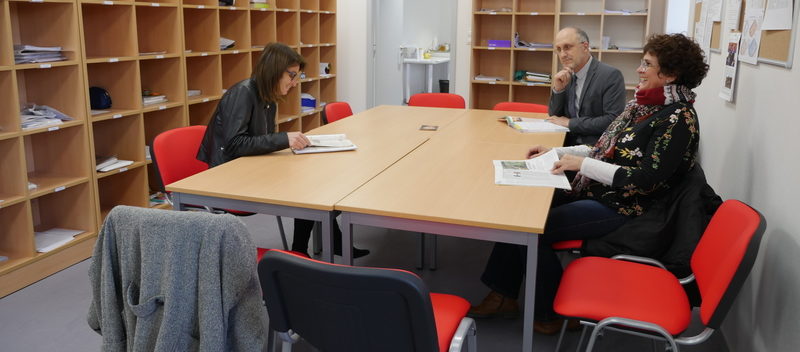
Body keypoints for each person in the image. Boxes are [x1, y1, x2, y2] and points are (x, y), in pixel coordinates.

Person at [469, 33, 709, 335]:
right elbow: (604, 150)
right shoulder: (645, 105)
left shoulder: (678, 118)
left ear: (670, 74)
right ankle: (503, 294)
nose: (639, 70)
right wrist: (557, 152)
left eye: (647, 64)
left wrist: (581, 164)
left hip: (627, 207)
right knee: (519, 213)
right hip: (603, 191)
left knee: (532, 228)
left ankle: (549, 312)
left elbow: (646, 179)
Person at [197, 42, 369, 258]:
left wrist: (284, 143)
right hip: (228, 174)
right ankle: (308, 248)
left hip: (249, 167)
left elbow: (260, 140)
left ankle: (306, 248)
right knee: (306, 189)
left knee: (311, 184)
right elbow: (235, 144)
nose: (295, 83)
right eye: (292, 76)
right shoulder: (243, 93)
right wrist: (283, 139)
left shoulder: (267, 98)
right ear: (274, 71)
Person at [546, 27, 627, 146]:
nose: (562, 54)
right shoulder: (566, 75)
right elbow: (555, 116)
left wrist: (570, 123)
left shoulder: (610, 75)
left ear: (585, 47)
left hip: (595, 146)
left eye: (567, 47)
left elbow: (613, 121)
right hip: (565, 141)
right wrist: (559, 90)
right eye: (559, 49)